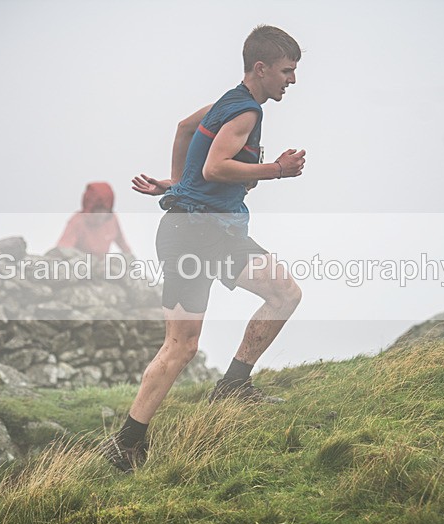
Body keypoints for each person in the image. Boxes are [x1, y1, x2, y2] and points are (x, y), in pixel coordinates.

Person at [100, 25, 306, 473]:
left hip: (202, 231)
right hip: (199, 234)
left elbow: (184, 128)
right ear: (261, 68)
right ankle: (126, 443)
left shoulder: (228, 101)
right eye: (287, 71)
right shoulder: (246, 111)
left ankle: (233, 385)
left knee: (284, 293)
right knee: (181, 346)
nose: (292, 80)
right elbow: (215, 167)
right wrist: (277, 170)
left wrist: (177, 184)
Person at [56, 182, 132, 257]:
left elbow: (121, 240)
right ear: (89, 210)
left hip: (101, 265)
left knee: (122, 263)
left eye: (104, 211)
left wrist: (130, 256)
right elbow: (63, 247)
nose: (101, 215)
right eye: (97, 211)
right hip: (81, 264)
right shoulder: (78, 221)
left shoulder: (112, 220)